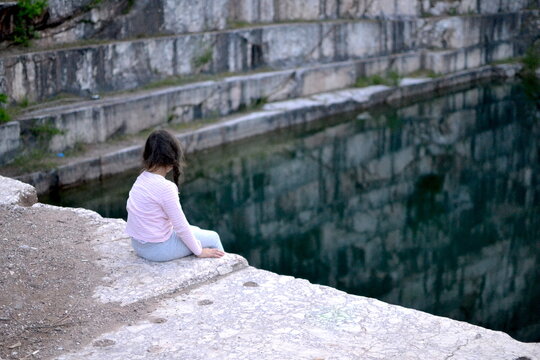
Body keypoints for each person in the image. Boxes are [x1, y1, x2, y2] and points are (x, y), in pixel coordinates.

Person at [125, 129, 225, 261]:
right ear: (171, 159)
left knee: (195, 229)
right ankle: (229, 268)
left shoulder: (142, 178)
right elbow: (181, 226)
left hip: (138, 245)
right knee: (213, 237)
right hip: (157, 249)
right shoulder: (166, 188)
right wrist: (199, 251)